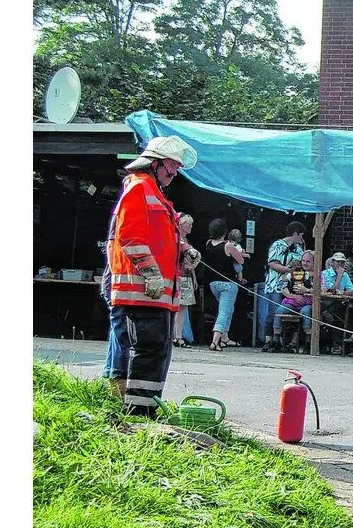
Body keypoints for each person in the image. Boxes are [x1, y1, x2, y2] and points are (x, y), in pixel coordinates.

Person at [101, 135, 195, 416]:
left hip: (156, 295)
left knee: (156, 352)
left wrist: (184, 252)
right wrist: (152, 274)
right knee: (149, 350)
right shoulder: (139, 189)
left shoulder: (155, 194)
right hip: (142, 292)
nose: (175, 172)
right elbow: (130, 237)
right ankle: (138, 413)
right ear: (154, 163)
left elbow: (160, 240)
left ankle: (146, 409)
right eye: (171, 165)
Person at [200, 219, 247, 352]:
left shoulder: (208, 243)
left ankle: (225, 338)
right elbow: (241, 260)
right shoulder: (228, 246)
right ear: (225, 232)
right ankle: (215, 341)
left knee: (228, 309)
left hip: (213, 283)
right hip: (228, 283)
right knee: (224, 311)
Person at [260, 222, 306, 348]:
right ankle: (268, 340)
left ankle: (285, 341)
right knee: (274, 312)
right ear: (295, 233)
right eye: (300, 235)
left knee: (289, 313)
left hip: (291, 285)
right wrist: (288, 270)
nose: (301, 239)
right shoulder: (277, 245)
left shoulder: (298, 249)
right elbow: (273, 264)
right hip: (275, 284)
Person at [319, 252, 353, 349]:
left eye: (342, 263)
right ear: (333, 262)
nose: (340, 265)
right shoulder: (325, 274)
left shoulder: (345, 275)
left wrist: (342, 292)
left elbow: (352, 290)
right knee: (336, 316)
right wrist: (339, 276)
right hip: (327, 304)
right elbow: (331, 290)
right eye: (338, 262)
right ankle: (336, 343)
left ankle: (349, 343)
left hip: (341, 303)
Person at [173, 214, 200, 348]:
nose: (191, 226)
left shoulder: (184, 240)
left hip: (186, 276)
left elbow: (191, 264)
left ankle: (178, 336)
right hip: (179, 276)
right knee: (178, 308)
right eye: (188, 224)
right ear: (181, 225)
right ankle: (176, 336)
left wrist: (194, 277)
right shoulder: (177, 240)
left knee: (183, 308)